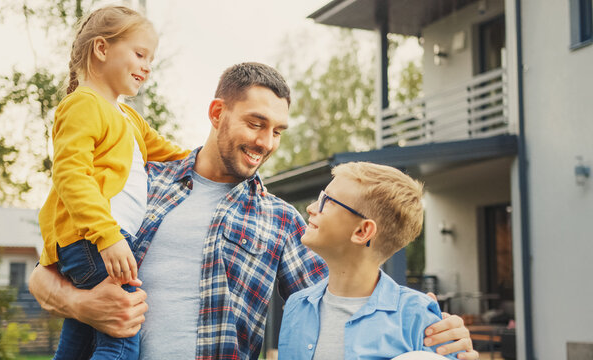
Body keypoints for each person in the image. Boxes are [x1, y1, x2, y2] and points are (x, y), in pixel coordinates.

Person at [29, 62, 478, 359]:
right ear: (217, 112)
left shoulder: (282, 221)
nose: (266, 142)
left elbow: (347, 297)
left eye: (278, 130)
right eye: (255, 123)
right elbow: (46, 269)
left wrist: (431, 327)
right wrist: (81, 304)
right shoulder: (142, 180)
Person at [37, 6, 188, 359]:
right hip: (96, 240)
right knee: (122, 328)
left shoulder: (127, 116)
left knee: (80, 336)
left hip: (102, 241)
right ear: (102, 49)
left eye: (151, 58)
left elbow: (171, 153)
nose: (148, 66)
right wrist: (107, 236)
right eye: (139, 54)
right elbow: (71, 176)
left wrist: (210, 159)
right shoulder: (83, 104)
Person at [278, 162, 461, 359]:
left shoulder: (419, 317)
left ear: (362, 231)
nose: (311, 208)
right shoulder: (296, 306)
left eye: (328, 201)